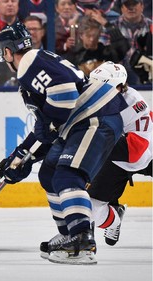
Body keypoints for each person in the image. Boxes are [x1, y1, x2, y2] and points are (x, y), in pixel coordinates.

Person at [0, 22, 127, 264]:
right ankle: (68, 233)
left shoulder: (28, 62)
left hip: (94, 117)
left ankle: (81, 240)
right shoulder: (36, 62)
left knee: (67, 176)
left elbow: (65, 95)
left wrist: (49, 128)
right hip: (85, 120)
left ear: (6, 51)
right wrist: (22, 155)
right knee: (49, 173)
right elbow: (48, 125)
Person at [39, 62, 152, 259]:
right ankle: (115, 220)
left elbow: (136, 152)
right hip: (117, 157)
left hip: (138, 152)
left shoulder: (128, 103)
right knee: (89, 208)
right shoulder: (108, 97)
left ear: (119, 87)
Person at [104, 0, 152, 85]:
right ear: (122, 8)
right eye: (127, 5)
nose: (131, 8)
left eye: (134, 4)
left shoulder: (151, 26)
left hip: (147, 74)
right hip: (117, 76)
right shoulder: (109, 28)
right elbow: (103, 54)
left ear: (142, 6)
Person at [63, 15, 129, 76]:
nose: (92, 39)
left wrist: (107, 25)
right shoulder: (74, 55)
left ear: (99, 35)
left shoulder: (107, 53)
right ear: (81, 36)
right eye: (88, 36)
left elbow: (123, 48)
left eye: (94, 35)